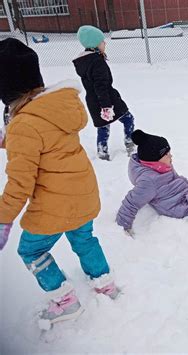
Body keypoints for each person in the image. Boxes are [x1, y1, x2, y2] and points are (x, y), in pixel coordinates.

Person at [0, 38, 117, 327]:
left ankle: (65, 302)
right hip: (83, 193)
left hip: (55, 204)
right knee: (84, 238)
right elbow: (49, 144)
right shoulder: (55, 108)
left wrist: (3, 218)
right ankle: (105, 284)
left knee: (31, 250)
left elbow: (20, 182)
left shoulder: (24, 125)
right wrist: (10, 142)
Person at [73, 25, 135, 160]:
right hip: (107, 99)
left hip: (94, 101)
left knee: (103, 126)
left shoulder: (85, 61)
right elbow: (100, 86)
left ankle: (102, 152)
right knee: (128, 119)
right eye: (102, 41)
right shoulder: (96, 62)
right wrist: (106, 106)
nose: (104, 43)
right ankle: (130, 143)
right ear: (94, 44)